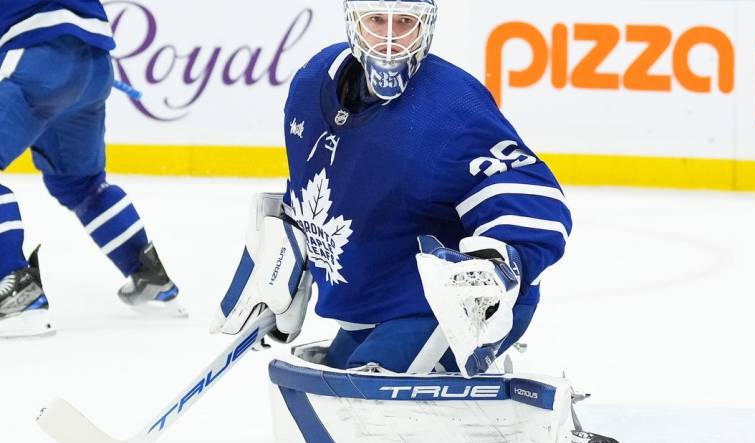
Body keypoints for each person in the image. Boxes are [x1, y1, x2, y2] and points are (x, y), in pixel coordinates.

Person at [213, 0, 571, 378]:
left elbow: (535, 199)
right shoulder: (311, 83)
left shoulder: (450, 109)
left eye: (404, 22)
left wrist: (496, 265)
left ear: (425, 27)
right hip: (374, 297)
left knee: (357, 401)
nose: (388, 39)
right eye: (376, 20)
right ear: (354, 22)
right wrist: (281, 260)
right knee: (328, 383)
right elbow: (312, 186)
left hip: (443, 308)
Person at [0, 0, 185, 338]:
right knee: (81, 184)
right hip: (94, 63)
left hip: (33, 55)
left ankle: (12, 288)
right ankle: (151, 279)